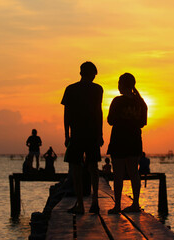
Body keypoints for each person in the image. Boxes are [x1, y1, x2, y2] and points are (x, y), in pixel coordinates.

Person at [61, 61, 104, 214]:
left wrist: (67, 135)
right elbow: (99, 112)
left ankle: (81, 204)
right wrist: (100, 134)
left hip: (78, 133)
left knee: (77, 169)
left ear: (80, 73)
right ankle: (94, 202)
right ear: (91, 74)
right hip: (90, 133)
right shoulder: (97, 89)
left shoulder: (71, 89)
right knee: (93, 168)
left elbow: (67, 115)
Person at [107, 73, 148, 214]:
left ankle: (117, 205)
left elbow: (110, 120)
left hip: (119, 140)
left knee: (118, 174)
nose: (117, 85)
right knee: (134, 173)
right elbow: (143, 123)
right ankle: (135, 204)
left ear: (122, 85)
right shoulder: (141, 102)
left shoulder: (117, 101)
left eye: (119, 83)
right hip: (134, 141)